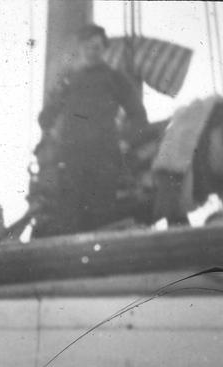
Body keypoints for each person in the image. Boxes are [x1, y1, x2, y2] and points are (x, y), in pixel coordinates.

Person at [37, 23, 148, 235]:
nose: (92, 51)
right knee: (69, 214)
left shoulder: (116, 79)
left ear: (104, 49)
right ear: (80, 49)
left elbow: (138, 115)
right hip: (71, 157)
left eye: (97, 46)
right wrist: (53, 136)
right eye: (87, 46)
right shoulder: (69, 80)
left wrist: (126, 141)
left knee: (101, 214)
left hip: (104, 155)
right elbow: (45, 117)